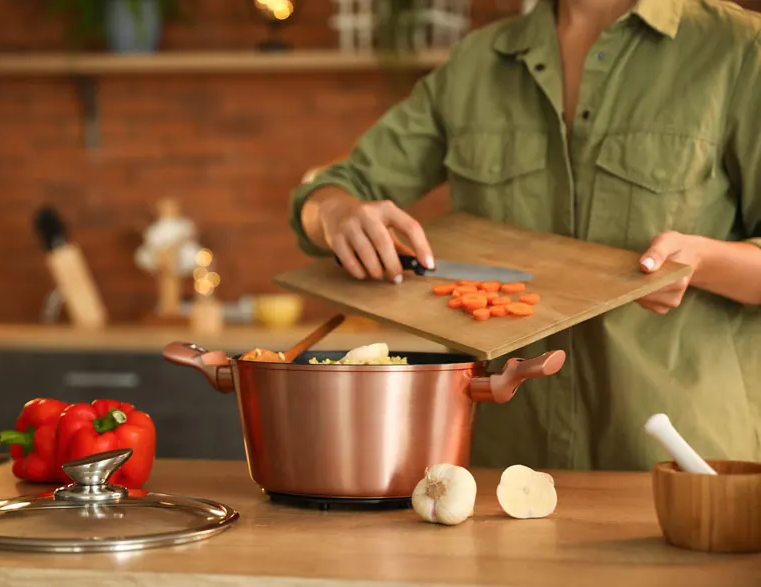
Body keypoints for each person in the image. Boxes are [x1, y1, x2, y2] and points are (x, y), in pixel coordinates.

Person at [288, 0, 761, 471]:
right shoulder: (476, 62)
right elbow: (337, 188)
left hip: (682, 458)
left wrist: (704, 262)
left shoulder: (739, 48)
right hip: (501, 458)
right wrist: (333, 209)